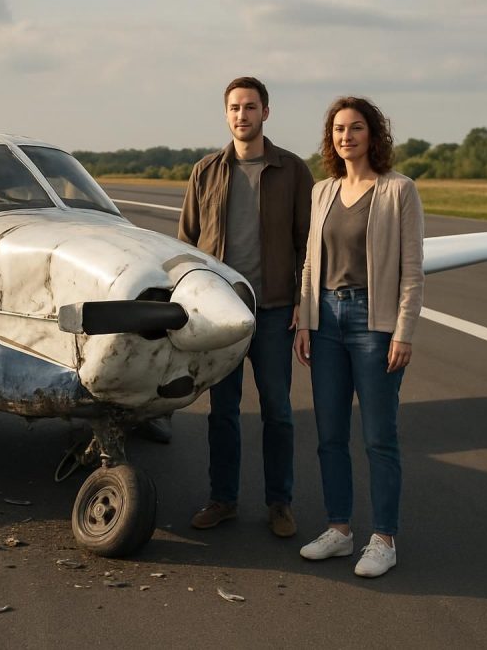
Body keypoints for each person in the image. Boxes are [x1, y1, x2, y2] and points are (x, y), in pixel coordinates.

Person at [294, 97, 424, 577]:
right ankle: (340, 531)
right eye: (338, 129)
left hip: (375, 320)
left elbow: (412, 271)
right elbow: (310, 261)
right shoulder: (322, 192)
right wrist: (305, 319)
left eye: (356, 128)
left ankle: (384, 538)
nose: (346, 136)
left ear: (374, 135)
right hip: (325, 319)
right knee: (329, 435)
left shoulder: (398, 190)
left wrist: (403, 331)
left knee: (378, 437)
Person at [179, 77, 313, 537]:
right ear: (226, 114)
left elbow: (308, 246)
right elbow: (187, 246)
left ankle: (280, 503)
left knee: (277, 411)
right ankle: (223, 499)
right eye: (235, 107)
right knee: (223, 412)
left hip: (275, 311)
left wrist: (303, 305)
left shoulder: (293, 171)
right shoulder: (205, 171)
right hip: (221, 315)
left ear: (266, 113)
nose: (242, 115)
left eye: (250, 107)